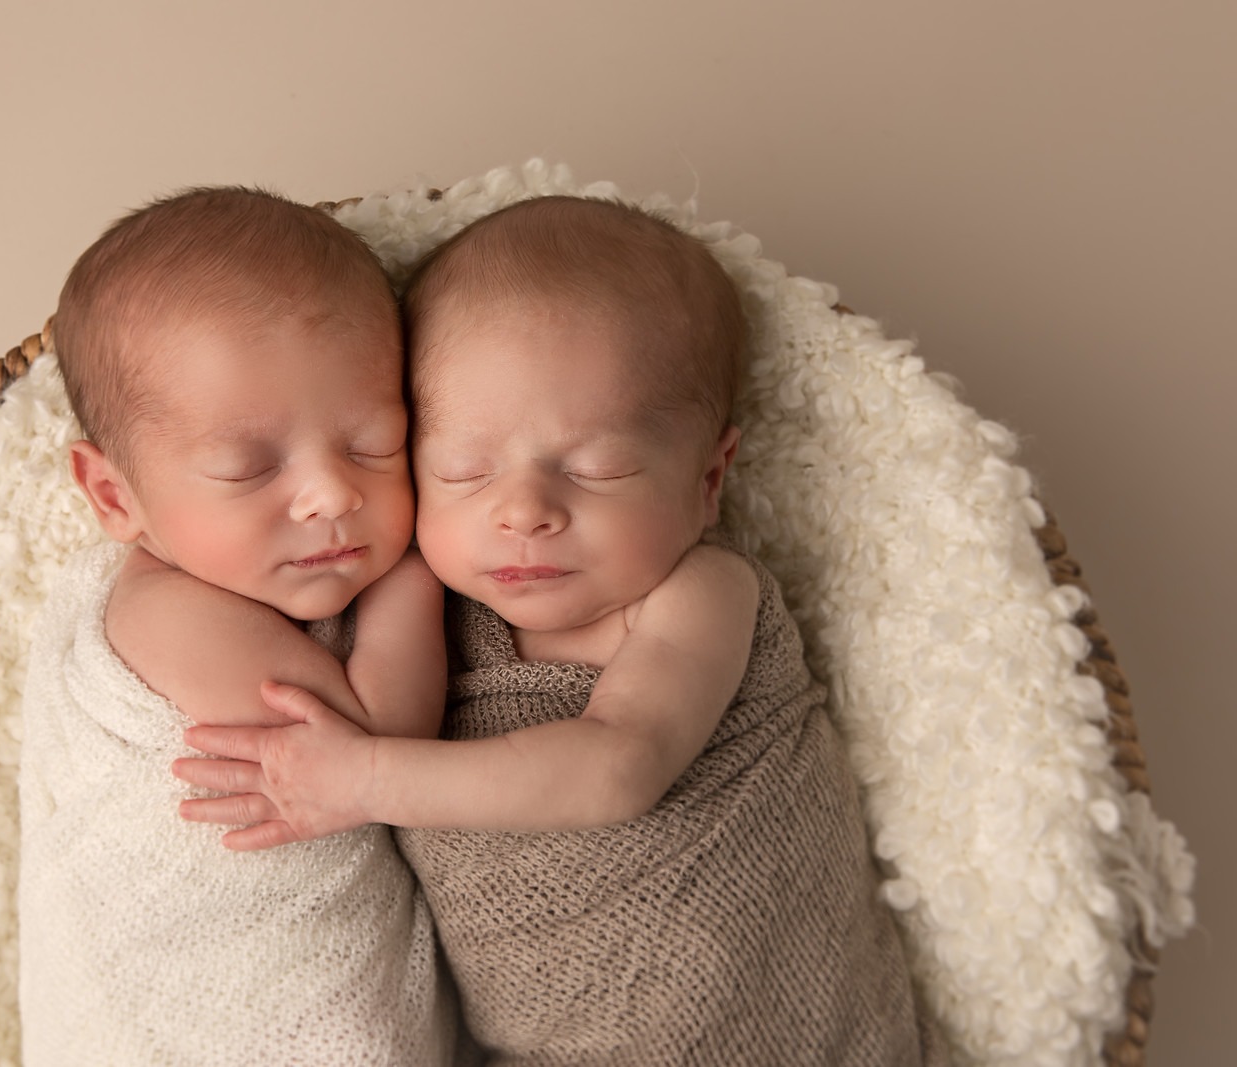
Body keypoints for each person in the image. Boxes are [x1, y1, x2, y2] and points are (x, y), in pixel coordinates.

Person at [175, 196, 944, 1065]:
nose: (526, 512)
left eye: (596, 467)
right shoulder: (420, 612)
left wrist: (361, 780)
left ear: (709, 476)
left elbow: (619, 765)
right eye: (464, 471)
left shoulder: (698, 593)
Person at [18, 187, 456, 1066]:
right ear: (115, 496)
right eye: (249, 467)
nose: (333, 494)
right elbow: (381, 743)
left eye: (374, 445)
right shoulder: (162, 616)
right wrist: (419, 568)